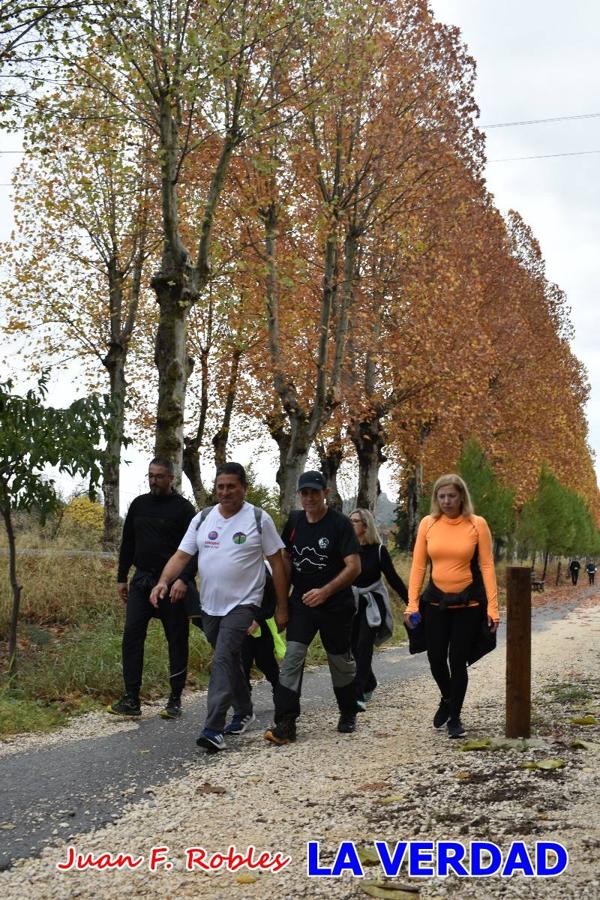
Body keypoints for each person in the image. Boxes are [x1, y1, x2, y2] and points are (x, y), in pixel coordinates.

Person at [150, 462, 289, 752]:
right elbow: (181, 555)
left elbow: (277, 563)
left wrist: (282, 607)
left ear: (243, 488)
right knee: (231, 659)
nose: (225, 492)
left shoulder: (258, 519)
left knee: (224, 658)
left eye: (231, 486)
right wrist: (163, 580)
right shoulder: (203, 519)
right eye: (220, 487)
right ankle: (244, 709)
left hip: (244, 604)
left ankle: (213, 728)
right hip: (210, 606)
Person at [264, 470, 361, 745]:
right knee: (292, 658)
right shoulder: (294, 522)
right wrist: (282, 606)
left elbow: (354, 566)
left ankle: (347, 711)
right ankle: (286, 723)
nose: (309, 498)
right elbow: (285, 560)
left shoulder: (340, 524)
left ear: (325, 494)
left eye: (314, 493)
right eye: (304, 493)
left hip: (337, 605)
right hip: (302, 605)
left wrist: (326, 591)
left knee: (339, 660)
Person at [404, 474, 499, 739]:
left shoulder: (476, 524)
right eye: (441, 496)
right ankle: (447, 697)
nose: (446, 501)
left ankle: (455, 717)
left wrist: (493, 608)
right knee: (435, 659)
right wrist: (412, 604)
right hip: (435, 603)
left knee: (457, 661)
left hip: (468, 605)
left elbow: (488, 566)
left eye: (452, 496)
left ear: (461, 497)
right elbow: (419, 566)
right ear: (436, 498)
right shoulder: (428, 523)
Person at [108, 457, 199, 720]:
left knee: (177, 639)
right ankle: (131, 699)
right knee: (132, 637)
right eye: (150, 475)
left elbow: (194, 550)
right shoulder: (139, 504)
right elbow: (128, 543)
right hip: (141, 581)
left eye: (159, 476)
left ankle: (175, 700)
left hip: (172, 586)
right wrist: (121, 577)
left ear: (171, 478)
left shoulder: (183, 510)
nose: (153, 481)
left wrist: (183, 579)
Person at [349, 508, 408, 708]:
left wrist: (413, 603)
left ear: (365, 526)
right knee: (352, 647)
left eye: (354, 521)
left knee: (364, 645)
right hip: (353, 603)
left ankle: (357, 696)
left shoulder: (379, 551)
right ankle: (370, 682)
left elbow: (394, 580)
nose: (350, 524)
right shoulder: (347, 550)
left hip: (373, 603)